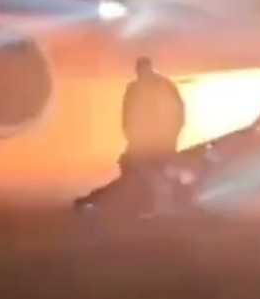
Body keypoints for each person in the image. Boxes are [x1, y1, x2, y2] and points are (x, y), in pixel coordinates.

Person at [74, 56, 186, 214]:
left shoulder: (150, 87)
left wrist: (171, 132)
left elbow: (176, 110)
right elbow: (129, 114)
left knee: (149, 174)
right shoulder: (156, 86)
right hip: (151, 140)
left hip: (154, 140)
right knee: (143, 174)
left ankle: (164, 206)